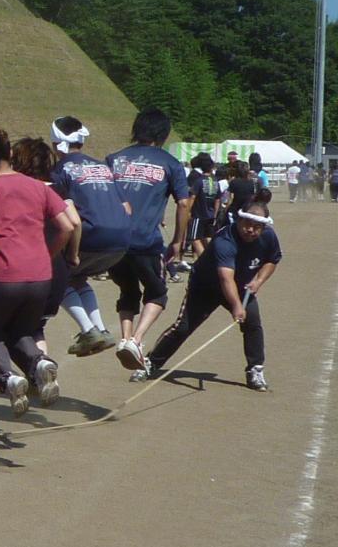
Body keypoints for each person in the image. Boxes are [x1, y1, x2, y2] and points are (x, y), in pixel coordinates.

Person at [0, 129, 74, 416]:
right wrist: (48, 253)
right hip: (40, 274)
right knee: (22, 331)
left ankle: (9, 378)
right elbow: (68, 226)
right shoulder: (38, 187)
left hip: (5, 275)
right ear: (9, 154)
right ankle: (39, 363)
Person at [145, 194, 280, 391]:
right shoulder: (224, 240)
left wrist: (258, 281)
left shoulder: (268, 236)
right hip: (206, 286)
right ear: (240, 219)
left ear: (263, 227)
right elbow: (226, 278)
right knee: (183, 327)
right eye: (247, 224)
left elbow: (272, 259)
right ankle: (151, 362)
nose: (250, 230)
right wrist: (235, 306)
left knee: (253, 324)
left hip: (242, 286)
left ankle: (255, 369)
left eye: (256, 227)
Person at [105, 108, 191, 381]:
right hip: (146, 240)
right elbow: (184, 203)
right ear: (163, 134)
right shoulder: (170, 164)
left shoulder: (114, 159)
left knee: (127, 290)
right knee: (157, 292)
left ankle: (125, 338)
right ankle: (138, 339)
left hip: (113, 241)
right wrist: (179, 240)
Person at [48, 116, 130, 357]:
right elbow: (127, 208)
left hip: (91, 236)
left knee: (56, 277)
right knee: (79, 279)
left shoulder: (60, 170)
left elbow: (62, 213)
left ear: (55, 142)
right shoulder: (103, 167)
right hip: (121, 240)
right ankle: (101, 329)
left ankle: (88, 330)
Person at [11, 136, 82, 356]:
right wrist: (73, 254)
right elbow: (75, 221)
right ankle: (43, 372)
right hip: (56, 269)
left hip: (27, 269)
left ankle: (34, 370)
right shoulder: (58, 188)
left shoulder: (17, 188)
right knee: (36, 327)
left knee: (10, 329)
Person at [185, 153, 221, 258]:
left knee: (194, 238)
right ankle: (214, 256)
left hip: (198, 215)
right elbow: (217, 200)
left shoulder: (199, 181)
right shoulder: (215, 181)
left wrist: (188, 211)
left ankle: (204, 260)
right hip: (210, 215)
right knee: (208, 237)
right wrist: (215, 213)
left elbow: (192, 197)